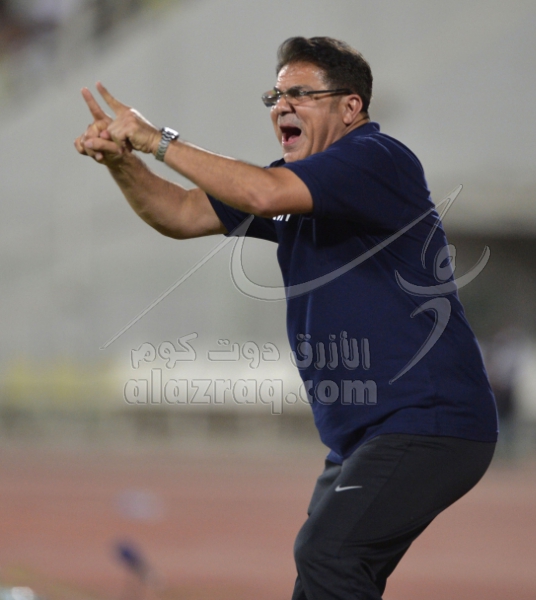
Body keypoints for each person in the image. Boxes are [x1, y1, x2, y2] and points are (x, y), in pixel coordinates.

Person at [75, 36, 498, 600]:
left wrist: (157, 140)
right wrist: (120, 162)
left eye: (300, 93)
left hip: (428, 420)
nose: (282, 106)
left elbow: (259, 191)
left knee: (329, 556)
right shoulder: (297, 185)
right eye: (275, 96)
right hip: (365, 435)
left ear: (350, 107)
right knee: (325, 576)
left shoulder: (377, 158)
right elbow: (179, 213)